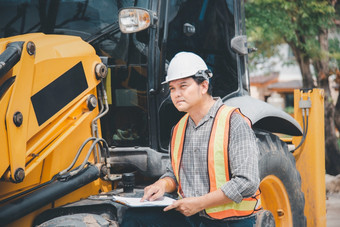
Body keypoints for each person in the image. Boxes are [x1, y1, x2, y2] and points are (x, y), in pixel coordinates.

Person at [121, 52, 261, 226]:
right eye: (172, 88)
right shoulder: (179, 129)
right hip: (193, 217)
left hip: (231, 221)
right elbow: (174, 173)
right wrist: (162, 185)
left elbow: (247, 182)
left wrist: (199, 203)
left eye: (183, 86)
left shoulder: (234, 122)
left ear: (203, 86)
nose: (176, 94)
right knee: (133, 219)